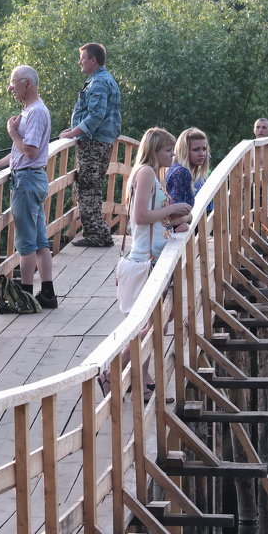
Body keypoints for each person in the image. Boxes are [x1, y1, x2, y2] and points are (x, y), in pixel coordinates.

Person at [110, 127, 191, 396]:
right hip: (146, 259)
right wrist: (171, 209)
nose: (172, 154)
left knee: (154, 323)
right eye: (168, 150)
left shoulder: (153, 174)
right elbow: (140, 217)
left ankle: (141, 381)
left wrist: (179, 218)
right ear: (154, 151)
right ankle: (112, 372)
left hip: (153, 256)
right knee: (153, 325)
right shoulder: (145, 172)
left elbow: (155, 219)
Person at [0, 65, 58, 309]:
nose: (10, 87)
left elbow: (31, 151)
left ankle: (26, 297)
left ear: (28, 83)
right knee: (39, 240)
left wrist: (12, 132)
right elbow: (20, 153)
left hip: (26, 181)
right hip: (31, 178)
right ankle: (47, 294)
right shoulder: (29, 112)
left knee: (25, 243)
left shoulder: (35, 113)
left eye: (13, 82)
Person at [58, 42, 121, 247]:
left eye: (83, 58)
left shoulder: (99, 82)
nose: (80, 62)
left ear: (93, 60)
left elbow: (96, 115)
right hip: (102, 141)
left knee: (86, 188)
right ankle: (100, 233)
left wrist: (72, 133)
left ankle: (98, 234)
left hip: (94, 143)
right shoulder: (105, 79)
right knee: (90, 188)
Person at [166, 127, 212, 216]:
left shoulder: (174, 168)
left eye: (204, 149)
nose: (202, 154)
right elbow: (174, 214)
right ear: (185, 151)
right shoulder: (181, 172)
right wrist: (188, 218)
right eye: (196, 149)